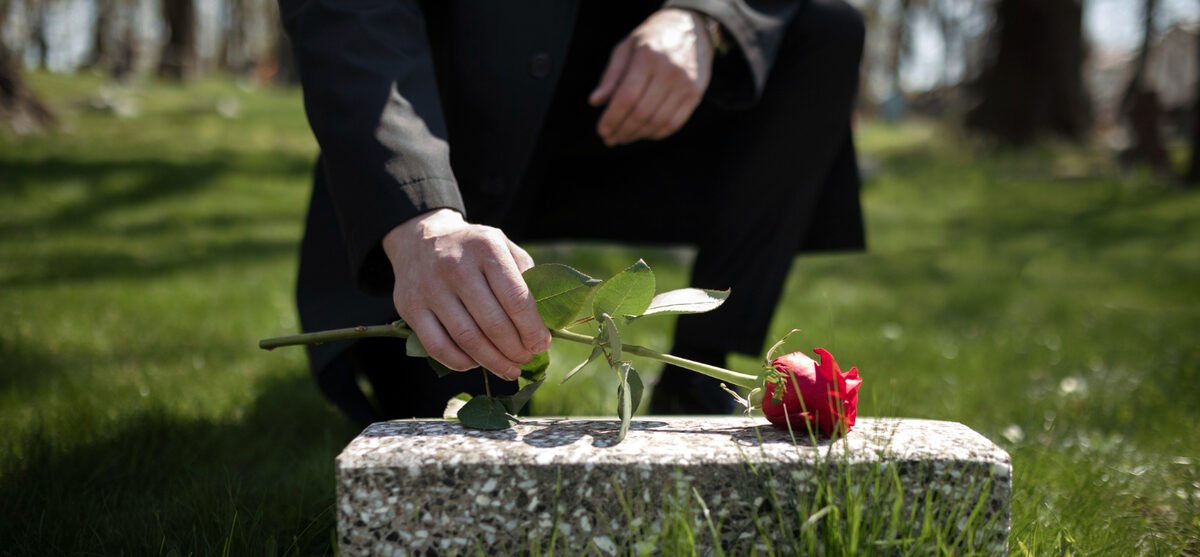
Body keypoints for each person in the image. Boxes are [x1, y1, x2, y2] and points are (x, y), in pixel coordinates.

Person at [280, 0, 867, 424]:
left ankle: (698, 374)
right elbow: (351, 17)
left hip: (628, 123)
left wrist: (704, 15)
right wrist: (418, 216)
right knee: (451, 397)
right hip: (454, 146)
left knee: (824, 26)